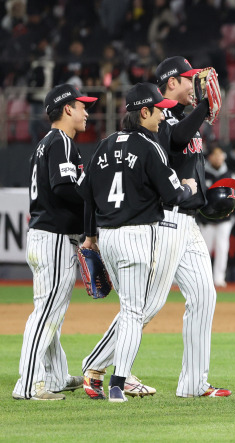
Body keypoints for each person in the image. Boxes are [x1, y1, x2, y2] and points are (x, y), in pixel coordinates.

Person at [82, 57, 232, 399]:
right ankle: (95, 363)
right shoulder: (158, 120)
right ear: (173, 82)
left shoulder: (175, 115)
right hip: (162, 221)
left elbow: (189, 165)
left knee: (204, 296)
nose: (196, 84)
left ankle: (193, 383)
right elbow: (177, 139)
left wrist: (204, 201)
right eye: (190, 79)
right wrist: (205, 107)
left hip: (187, 220)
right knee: (147, 305)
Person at [77, 82, 197, 402]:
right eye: (159, 111)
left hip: (108, 237)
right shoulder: (149, 146)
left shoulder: (103, 145)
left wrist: (90, 237)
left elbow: (87, 196)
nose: (163, 117)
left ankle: (112, 375)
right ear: (144, 112)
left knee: (130, 308)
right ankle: (118, 383)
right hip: (137, 235)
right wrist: (189, 189)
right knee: (133, 311)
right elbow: (173, 195)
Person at [12, 84, 97, 401]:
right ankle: (29, 384)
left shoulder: (45, 144)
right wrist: (93, 212)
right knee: (46, 314)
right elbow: (63, 188)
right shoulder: (60, 141)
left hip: (44, 235)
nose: (86, 111)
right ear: (67, 109)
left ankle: (57, 376)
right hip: (53, 238)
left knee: (50, 311)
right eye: (81, 105)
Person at [200, 144, 235, 287]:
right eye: (215, 155)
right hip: (206, 220)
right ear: (209, 157)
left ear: (224, 157)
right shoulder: (203, 172)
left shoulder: (229, 174)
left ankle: (219, 278)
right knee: (204, 250)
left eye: (220, 154)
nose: (217, 157)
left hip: (225, 220)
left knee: (222, 248)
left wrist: (233, 216)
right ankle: (203, 278)